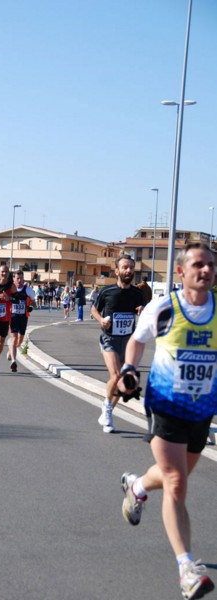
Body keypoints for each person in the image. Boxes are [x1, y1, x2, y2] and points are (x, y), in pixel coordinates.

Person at [118, 243, 216, 600]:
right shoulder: (165, 307)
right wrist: (129, 369)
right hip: (165, 405)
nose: (205, 270)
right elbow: (137, 341)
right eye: (198, 264)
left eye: (211, 265)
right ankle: (187, 569)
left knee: (177, 473)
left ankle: (137, 487)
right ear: (180, 272)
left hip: (202, 409)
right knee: (176, 480)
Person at [91, 255, 144, 433]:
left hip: (129, 342)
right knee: (115, 375)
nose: (128, 271)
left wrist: (142, 312)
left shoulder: (138, 294)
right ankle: (107, 410)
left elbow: (145, 313)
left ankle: (107, 410)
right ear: (117, 271)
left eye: (131, 267)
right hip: (110, 339)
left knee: (126, 383)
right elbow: (93, 309)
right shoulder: (107, 291)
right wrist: (101, 320)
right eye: (125, 267)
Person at [7, 271, 36, 372]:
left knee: (19, 341)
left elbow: (33, 302)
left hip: (23, 317)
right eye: (17, 278)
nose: (19, 280)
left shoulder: (28, 290)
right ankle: (14, 362)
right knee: (14, 339)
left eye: (21, 278)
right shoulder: (9, 289)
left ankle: (11, 351)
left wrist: (31, 307)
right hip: (12, 317)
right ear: (13, 279)